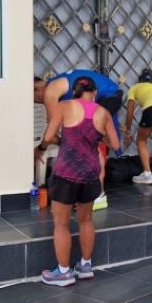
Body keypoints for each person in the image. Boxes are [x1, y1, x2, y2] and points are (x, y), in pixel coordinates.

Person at [39, 76, 119, 286]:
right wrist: (97, 136)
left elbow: (48, 136)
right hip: (91, 173)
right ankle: (85, 266)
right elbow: (115, 144)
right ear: (94, 93)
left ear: (74, 92)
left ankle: (64, 272)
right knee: (86, 220)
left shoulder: (64, 106)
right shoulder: (103, 112)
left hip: (66, 172)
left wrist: (60, 141)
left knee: (61, 223)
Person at [44, 69, 123, 210]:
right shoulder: (63, 90)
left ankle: (99, 194)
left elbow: (51, 132)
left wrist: (57, 143)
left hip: (109, 96)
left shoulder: (54, 94)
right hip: (110, 95)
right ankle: (93, 193)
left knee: (93, 147)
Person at [34, 76, 58, 188]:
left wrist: (40, 149)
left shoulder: (56, 101)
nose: (34, 100)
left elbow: (52, 137)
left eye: (34, 97)